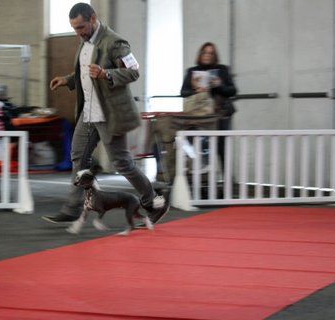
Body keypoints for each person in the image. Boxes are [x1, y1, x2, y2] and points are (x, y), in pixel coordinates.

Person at [42, 3, 169, 225]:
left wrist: (106, 73)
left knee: (122, 164)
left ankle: (152, 201)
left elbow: (133, 71)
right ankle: (72, 208)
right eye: (74, 28)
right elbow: (84, 73)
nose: (78, 32)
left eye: (81, 27)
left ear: (93, 18)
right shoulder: (84, 42)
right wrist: (67, 80)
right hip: (88, 112)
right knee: (78, 157)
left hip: (110, 113)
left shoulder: (115, 42)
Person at [180, 42, 237, 167]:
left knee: (222, 146)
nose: (207, 55)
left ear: (214, 55)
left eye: (211, 53)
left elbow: (232, 91)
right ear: (200, 54)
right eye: (205, 52)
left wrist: (219, 85)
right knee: (198, 145)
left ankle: (227, 179)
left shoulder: (222, 70)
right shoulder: (192, 71)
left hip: (220, 113)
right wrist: (196, 91)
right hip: (200, 114)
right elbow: (183, 92)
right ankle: (200, 176)